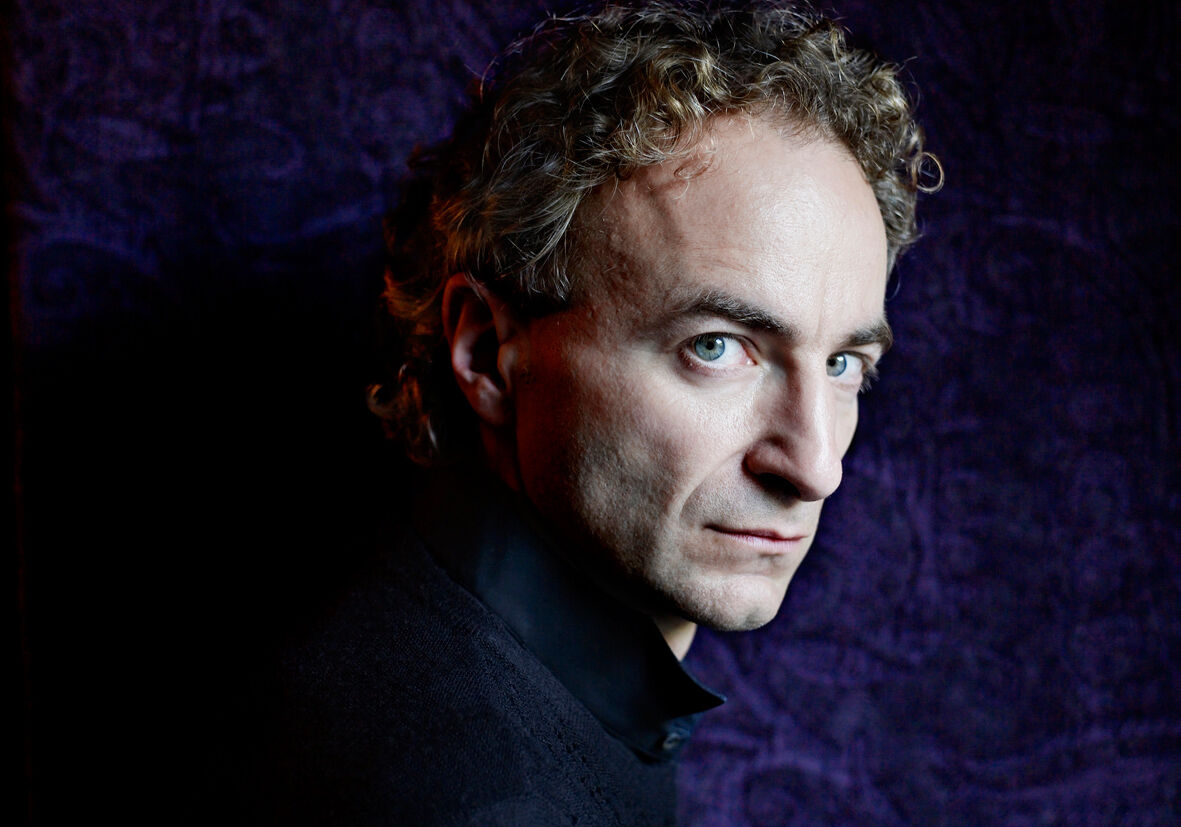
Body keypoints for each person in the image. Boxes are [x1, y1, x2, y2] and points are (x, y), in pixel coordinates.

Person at [269, 2, 936, 824]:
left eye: (841, 364)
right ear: (486, 351)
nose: (814, 466)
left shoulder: (474, 685)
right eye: (716, 346)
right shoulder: (474, 796)